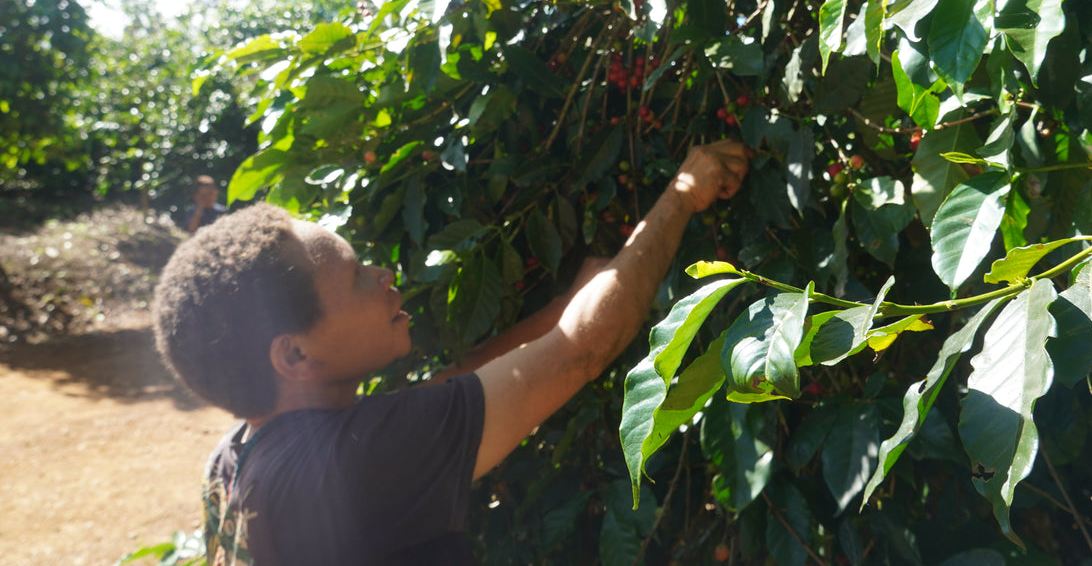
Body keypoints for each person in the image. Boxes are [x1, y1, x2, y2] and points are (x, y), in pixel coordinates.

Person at [152, 140, 750, 565]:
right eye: (358, 276)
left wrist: (559, 305)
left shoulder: (237, 457)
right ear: (296, 357)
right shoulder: (350, 466)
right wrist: (682, 195)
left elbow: (444, 393)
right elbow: (583, 351)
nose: (385, 275)